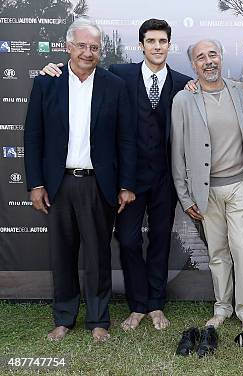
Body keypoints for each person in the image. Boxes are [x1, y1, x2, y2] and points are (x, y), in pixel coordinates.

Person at [40, 19, 192, 332]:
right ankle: (137, 305)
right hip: (129, 180)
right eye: (150, 41)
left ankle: (156, 305)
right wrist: (51, 68)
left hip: (166, 180)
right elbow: (80, 67)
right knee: (128, 241)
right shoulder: (119, 75)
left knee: (161, 241)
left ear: (169, 45)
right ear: (141, 45)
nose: (157, 47)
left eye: (162, 41)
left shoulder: (183, 83)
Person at [23, 17, 136, 342]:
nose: (88, 52)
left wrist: (126, 184)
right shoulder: (48, 82)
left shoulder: (114, 85)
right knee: (62, 254)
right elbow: (33, 136)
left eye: (94, 47)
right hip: (58, 184)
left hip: (98, 185)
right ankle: (64, 318)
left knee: (98, 256)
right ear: (68, 47)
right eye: (82, 46)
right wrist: (36, 184)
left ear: (101, 52)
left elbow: (126, 138)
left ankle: (99, 320)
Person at [171, 39, 243, 331]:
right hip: (206, 190)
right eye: (200, 58)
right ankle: (222, 307)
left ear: (221, 57)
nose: (208, 61)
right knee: (217, 252)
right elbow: (178, 152)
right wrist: (185, 197)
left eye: (213, 55)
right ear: (193, 65)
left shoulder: (242, 91)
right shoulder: (184, 99)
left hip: (241, 185)